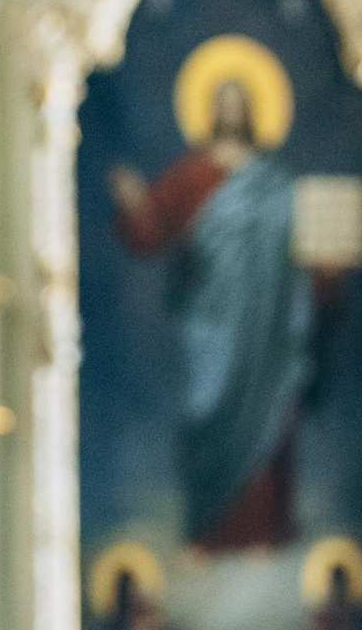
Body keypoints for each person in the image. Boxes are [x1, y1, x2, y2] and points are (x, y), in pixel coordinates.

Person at [109, 68, 328, 553]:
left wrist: (327, 275)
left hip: (267, 324)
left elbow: (306, 255)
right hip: (210, 324)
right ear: (210, 111)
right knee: (208, 410)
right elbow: (150, 233)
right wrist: (132, 204)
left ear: (252, 111)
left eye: (238, 102)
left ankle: (263, 534)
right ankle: (208, 531)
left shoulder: (274, 179)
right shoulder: (193, 174)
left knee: (269, 410)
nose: (230, 111)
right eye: (222, 102)